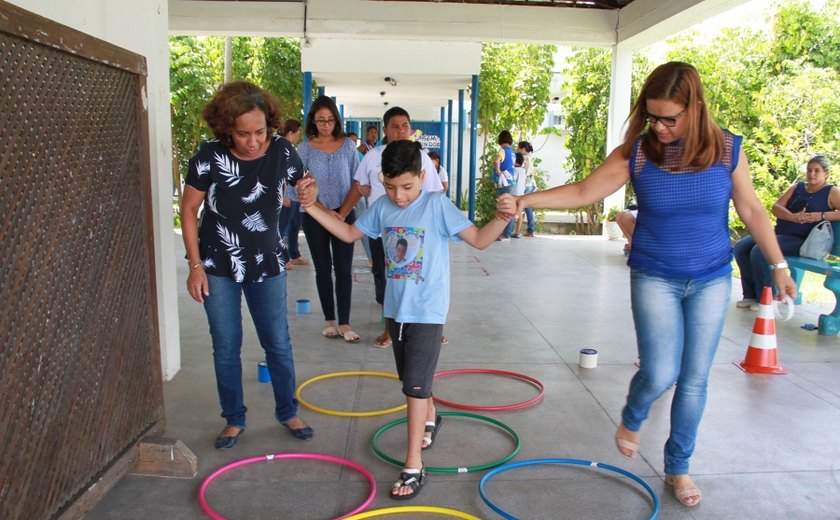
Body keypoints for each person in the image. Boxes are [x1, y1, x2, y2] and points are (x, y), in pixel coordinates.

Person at [499, 62, 797, 508]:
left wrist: (778, 266)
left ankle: (678, 467)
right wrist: (525, 200)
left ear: (695, 108)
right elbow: (585, 192)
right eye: (652, 116)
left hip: (712, 277)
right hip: (655, 274)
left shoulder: (727, 148)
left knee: (694, 380)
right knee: (659, 371)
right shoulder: (638, 153)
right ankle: (633, 415)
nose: (658, 127)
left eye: (668, 118)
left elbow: (753, 210)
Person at [297, 140, 509, 500]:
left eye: (407, 187)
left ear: (422, 177)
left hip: (427, 312)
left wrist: (503, 218)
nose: (399, 195)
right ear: (383, 179)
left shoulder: (436, 205)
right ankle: (432, 416)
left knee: (413, 386)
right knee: (410, 378)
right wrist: (311, 206)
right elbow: (349, 233)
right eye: (391, 186)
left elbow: (479, 240)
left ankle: (413, 465)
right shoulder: (381, 207)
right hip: (395, 312)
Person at [180, 81, 314, 449]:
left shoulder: (283, 151)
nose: (253, 142)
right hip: (216, 263)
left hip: (267, 262)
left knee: (278, 343)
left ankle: (287, 411)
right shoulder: (208, 155)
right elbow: (189, 209)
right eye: (243, 134)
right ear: (227, 129)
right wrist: (194, 266)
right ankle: (234, 418)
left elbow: (304, 184)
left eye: (259, 132)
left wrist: (309, 191)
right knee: (226, 345)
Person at [339, 106, 443, 348]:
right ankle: (390, 327)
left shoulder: (422, 157)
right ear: (385, 129)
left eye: (405, 125)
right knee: (386, 276)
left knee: (423, 277)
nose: (400, 130)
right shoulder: (374, 156)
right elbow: (358, 187)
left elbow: (436, 192)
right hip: (380, 227)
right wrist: (340, 214)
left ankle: (432, 327)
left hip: (415, 232)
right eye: (394, 126)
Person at [295, 96, 361, 343]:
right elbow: (298, 188)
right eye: (320, 120)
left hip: (344, 213)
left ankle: (344, 321)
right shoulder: (304, 149)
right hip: (314, 217)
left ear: (337, 121)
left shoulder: (347, 146)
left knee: (343, 269)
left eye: (330, 120)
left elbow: (358, 181)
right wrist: (323, 210)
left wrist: (342, 212)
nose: (325, 125)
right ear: (313, 121)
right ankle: (330, 321)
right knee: (323, 269)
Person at [734, 155, 839, 309]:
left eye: (817, 171)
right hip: (781, 234)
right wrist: (792, 217)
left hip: (804, 240)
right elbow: (776, 207)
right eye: (809, 170)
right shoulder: (798, 187)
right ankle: (750, 295)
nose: (812, 174)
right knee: (741, 247)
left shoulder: (831, 191)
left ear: (826, 173)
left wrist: (821, 215)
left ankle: (765, 297)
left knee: (760, 251)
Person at [278, 119, 309, 269]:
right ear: (290, 133)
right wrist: (283, 196)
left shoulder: (289, 148)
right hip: (287, 196)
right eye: (297, 133)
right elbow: (280, 175)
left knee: (295, 225)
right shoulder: (281, 148)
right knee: (281, 228)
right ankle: (281, 258)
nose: (298, 136)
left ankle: (294, 254)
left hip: (294, 195)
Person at [494, 130, 516, 240]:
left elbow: (497, 161)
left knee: (503, 207)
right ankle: (507, 233)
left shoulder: (502, 150)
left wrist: (498, 171)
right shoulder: (512, 152)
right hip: (511, 181)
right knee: (509, 206)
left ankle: (504, 234)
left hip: (503, 182)